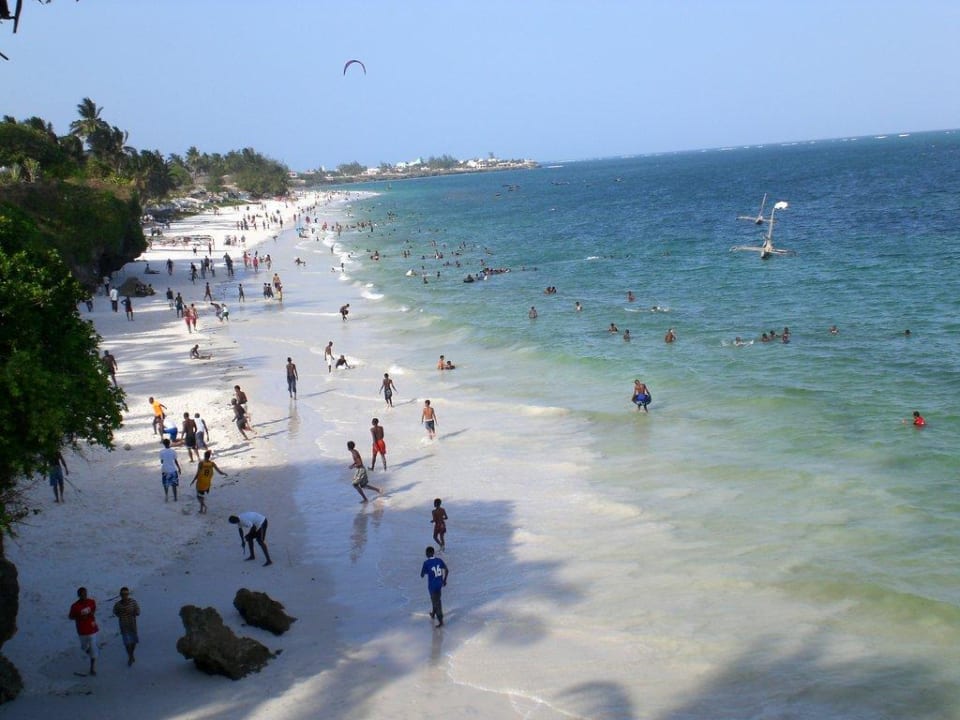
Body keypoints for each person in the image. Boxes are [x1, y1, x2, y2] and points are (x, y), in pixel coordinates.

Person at [69, 587, 99, 676]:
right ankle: (93, 654)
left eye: (85, 594)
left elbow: (93, 610)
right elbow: (70, 617)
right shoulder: (74, 606)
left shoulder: (91, 602)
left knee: (93, 647)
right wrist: (79, 617)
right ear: (79, 595)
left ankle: (92, 668)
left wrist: (91, 614)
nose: (84, 596)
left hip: (92, 629)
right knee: (84, 647)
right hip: (82, 630)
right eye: (82, 594)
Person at [191, 450, 227, 514]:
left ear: (204, 456)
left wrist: (193, 480)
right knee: (201, 495)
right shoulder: (212, 463)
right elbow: (219, 472)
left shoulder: (201, 463)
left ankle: (203, 507)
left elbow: (198, 473)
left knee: (199, 496)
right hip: (207, 483)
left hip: (201, 482)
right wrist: (224, 473)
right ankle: (201, 508)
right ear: (209, 457)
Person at [420, 546, 449, 628]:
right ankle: (433, 613)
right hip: (439, 585)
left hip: (432, 586)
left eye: (426, 553)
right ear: (433, 553)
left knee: (436, 603)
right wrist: (444, 580)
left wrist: (424, 573)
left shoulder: (426, 563)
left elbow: (422, 575)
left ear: (427, 554)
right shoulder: (439, 560)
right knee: (435, 599)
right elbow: (447, 570)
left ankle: (441, 621)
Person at [112, 587, 140, 666]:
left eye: (126, 594)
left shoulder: (133, 602)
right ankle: (130, 656)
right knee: (127, 643)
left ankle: (131, 654)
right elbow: (115, 612)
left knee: (134, 642)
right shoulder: (117, 605)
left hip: (132, 625)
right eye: (123, 594)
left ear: (128, 594)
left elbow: (138, 611)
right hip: (123, 626)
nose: (125, 596)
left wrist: (134, 613)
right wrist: (121, 615)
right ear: (120, 595)